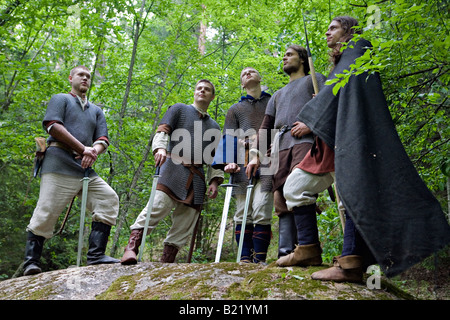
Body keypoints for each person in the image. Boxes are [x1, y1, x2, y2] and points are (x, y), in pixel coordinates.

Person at [295, 16, 450, 281]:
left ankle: (351, 262)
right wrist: (325, 100)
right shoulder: (345, 58)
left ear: (349, 30)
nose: (327, 32)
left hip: (361, 137)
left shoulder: (359, 46)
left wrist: (317, 110)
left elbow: (344, 94)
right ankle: (352, 260)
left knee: (358, 190)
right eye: (327, 28)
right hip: (351, 136)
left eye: (333, 27)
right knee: (354, 190)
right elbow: (341, 94)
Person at [23, 65, 120, 276]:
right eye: (81, 75)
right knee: (46, 209)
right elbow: (52, 126)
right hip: (58, 162)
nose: (85, 78)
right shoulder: (61, 99)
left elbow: (103, 139)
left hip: (84, 168)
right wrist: (82, 148)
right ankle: (31, 262)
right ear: (71, 78)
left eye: (88, 76)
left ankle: (95, 256)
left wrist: (92, 151)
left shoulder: (96, 110)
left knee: (108, 199)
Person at [121, 79, 224, 264]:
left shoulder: (215, 127)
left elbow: (214, 158)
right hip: (173, 168)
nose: (202, 91)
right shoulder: (179, 109)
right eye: (199, 88)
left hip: (197, 178)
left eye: (207, 90)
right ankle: (131, 249)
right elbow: (163, 131)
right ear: (194, 92)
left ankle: (166, 261)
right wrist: (159, 149)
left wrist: (215, 181)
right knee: (156, 207)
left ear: (212, 97)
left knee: (185, 223)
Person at [246, 45, 327, 264]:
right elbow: (266, 127)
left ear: (302, 59)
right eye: (283, 55)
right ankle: (286, 253)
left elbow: (330, 105)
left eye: (289, 54)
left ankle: (307, 248)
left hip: (305, 141)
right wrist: (255, 156)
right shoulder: (277, 95)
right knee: (279, 196)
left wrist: (312, 125)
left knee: (298, 186)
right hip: (280, 145)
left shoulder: (316, 78)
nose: (284, 58)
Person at [218, 67, 274, 263]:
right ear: (242, 84)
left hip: (268, 162)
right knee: (243, 212)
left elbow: (280, 127)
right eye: (243, 73)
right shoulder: (235, 110)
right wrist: (230, 161)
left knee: (262, 208)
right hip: (243, 165)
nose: (248, 73)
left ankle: (260, 258)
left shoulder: (272, 102)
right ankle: (244, 258)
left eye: (252, 71)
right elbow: (229, 138)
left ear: (260, 78)